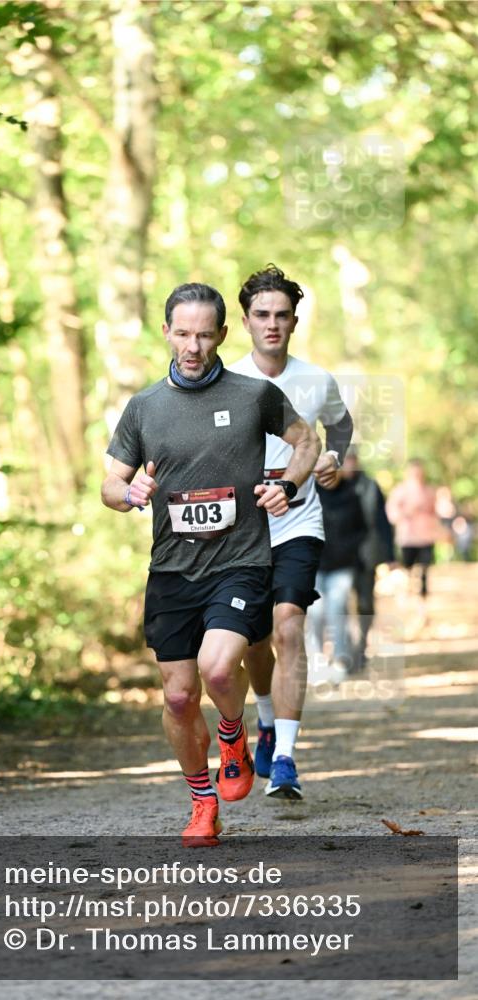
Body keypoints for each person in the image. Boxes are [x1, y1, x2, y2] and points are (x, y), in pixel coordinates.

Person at [101, 282, 320, 847]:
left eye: (204, 334)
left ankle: (232, 733)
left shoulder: (253, 395)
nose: (193, 346)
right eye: (182, 333)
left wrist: (288, 486)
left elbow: (306, 442)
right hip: (172, 570)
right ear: (167, 332)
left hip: (240, 562)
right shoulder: (145, 407)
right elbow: (108, 483)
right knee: (177, 696)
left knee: (220, 668)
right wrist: (130, 493)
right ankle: (202, 803)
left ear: (223, 334)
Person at [229, 264, 353, 800]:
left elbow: (342, 426)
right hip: (243, 530)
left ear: (294, 321)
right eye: (262, 315)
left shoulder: (316, 379)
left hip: (300, 518)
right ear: (245, 321)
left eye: (282, 315)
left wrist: (331, 456)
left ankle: (284, 759)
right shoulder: (226, 380)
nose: (272, 324)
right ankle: (264, 719)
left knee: (288, 626)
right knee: (254, 641)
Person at [306, 474, 367, 681]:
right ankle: (317, 662)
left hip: (343, 565)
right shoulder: (308, 491)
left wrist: (348, 549)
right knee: (315, 613)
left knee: (336, 611)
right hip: (315, 564)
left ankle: (340, 660)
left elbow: (362, 528)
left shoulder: (351, 493)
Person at [341, 447, 395, 670]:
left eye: (353, 459)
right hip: (338, 557)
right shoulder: (329, 487)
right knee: (339, 604)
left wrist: (390, 555)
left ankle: (361, 647)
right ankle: (344, 650)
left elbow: (383, 522)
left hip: (366, 555)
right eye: (346, 460)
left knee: (365, 603)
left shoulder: (370, 486)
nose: (350, 464)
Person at [386, 459, 439, 598]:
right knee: (407, 571)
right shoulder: (399, 491)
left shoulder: (429, 491)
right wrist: (407, 512)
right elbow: (392, 515)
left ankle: (422, 605)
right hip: (407, 539)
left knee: (424, 572)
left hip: (426, 538)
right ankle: (407, 597)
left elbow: (435, 514)